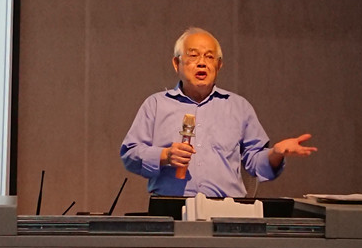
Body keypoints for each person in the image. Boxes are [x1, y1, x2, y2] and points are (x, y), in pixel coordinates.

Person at [120, 27, 316, 197]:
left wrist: (276, 153)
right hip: (171, 208)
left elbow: (255, 162)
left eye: (209, 56)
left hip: (226, 210)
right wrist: (165, 155)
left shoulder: (238, 107)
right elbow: (130, 155)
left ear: (219, 65)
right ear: (176, 63)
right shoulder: (156, 105)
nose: (202, 62)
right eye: (193, 55)